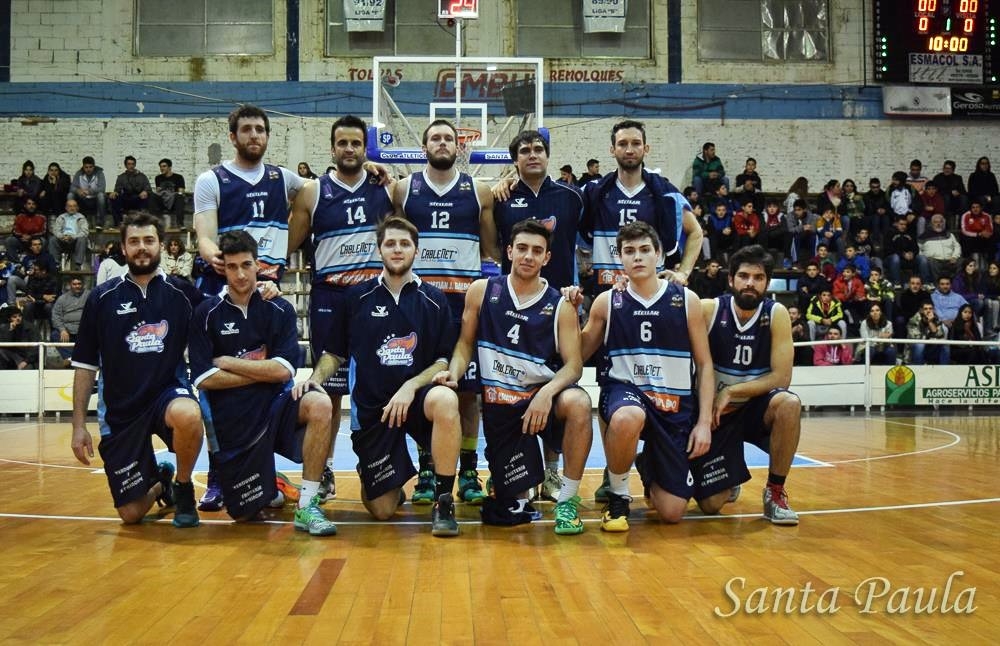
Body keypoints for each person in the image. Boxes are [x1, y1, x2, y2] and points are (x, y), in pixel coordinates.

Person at [299, 217, 462, 536]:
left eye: (404, 244)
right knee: (383, 510)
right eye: (390, 244)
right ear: (379, 250)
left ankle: (443, 502)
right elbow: (334, 353)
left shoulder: (434, 299)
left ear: (416, 250)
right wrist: (316, 377)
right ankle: (377, 474)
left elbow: (443, 361)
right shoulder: (356, 298)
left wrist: (410, 387)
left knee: (446, 399)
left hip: (416, 401)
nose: (397, 249)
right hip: (374, 412)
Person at [436, 219, 593, 533]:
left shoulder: (560, 304)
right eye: (522, 248)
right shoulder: (482, 291)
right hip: (502, 409)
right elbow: (465, 344)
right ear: (509, 251)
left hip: (541, 402)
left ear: (547, 257)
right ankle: (512, 482)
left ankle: (567, 502)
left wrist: (546, 394)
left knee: (579, 402)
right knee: (512, 506)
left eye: (537, 250)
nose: (528, 256)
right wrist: (453, 373)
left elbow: (574, 366)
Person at [189, 231, 336, 534]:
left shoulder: (279, 307)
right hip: (236, 423)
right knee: (245, 515)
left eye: (246, 265)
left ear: (258, 265)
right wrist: (262, 369)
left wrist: (229, 362)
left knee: (320, 402)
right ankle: (273, 483)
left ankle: (308, 504)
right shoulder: (206, 313)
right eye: (232, 267)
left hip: (277, 408)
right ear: (224, 269)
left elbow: (284, 371)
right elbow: (204, 378)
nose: (241, 274)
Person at [70, 213, 204, 527]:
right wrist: (78, 426)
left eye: (148, 240)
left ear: (161, 245)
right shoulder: (101, 298)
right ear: (123, 248)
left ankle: (184, 488)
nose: (141, 247)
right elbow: (85, 366)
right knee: (131, 514)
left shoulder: (183, 293)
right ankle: (161, 483)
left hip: (166, 396)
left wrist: (264, 291)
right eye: (134, 241)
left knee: (189, 414)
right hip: (121, 411)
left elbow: (221, 312)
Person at [577, 221, 714, 529]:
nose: (637, 257)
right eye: (629, 251)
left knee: (672, 513)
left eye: (644, 250)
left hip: (673, 406)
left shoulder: (686, 300)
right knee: (628, 416)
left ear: (659, 254)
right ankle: (619, 495)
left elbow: (705, 365)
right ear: (620, 257)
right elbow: (579, 354)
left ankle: (648, 462)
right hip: (627, 394)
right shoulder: (607, 302)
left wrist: (704, 423)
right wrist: (572, 312)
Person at [288, 114, 396, 504]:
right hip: (330, 298)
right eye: (342, 143)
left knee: (380, 385)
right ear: (332, 148)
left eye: (356, 143)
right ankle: (326, 467)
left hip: (373, 298)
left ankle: (379, 462)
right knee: (329, 392)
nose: (349, 149)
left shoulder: (386, 188)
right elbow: (288, 244)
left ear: (365, 148)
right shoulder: (313, 192)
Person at [391, 118, 498, 506]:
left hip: (463, 304)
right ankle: (426, 469)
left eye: (448, 138)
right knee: (423, 388)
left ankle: (468, 469)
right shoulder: (404, 189)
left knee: (467, 393)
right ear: (424, 147)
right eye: (435, 138)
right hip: (420, 306)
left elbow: (491, 249)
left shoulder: (479, 191)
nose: (442, 143)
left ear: (459, 146)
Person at [691, 244, 802, 525]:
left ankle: (775, 492)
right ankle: (728, 477)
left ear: (767, 282)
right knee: (711, 505)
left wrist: (732, 391)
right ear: (731, 280)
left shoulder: (776, 314)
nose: (750, 283)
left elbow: (782, 378)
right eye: (743, 276)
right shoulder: (709, 309)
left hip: (752, 410)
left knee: (789, 404)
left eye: (758, 277)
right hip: (714, 416)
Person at [194, 104, 307, 297]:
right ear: (232, 137)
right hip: (224, 281)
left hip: (266, 284)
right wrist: (218, 257)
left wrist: (363, 168)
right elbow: (205, 239)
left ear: (267, 137)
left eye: (260, 130)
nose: (254, 135)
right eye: (246, 129)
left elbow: (322, 189)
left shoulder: (282, 178)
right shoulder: (211, 180)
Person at [493, 130, 583, 294]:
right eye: (525, 151)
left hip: (561, 294)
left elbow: (589, 238)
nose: (533, 155)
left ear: (547, 157)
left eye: (538, 150)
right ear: (515, 161)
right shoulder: (501, 199)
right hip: (513, 296)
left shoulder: (574, 196)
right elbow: (492, 247)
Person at [51, 276, 89, 364]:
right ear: (70, 285)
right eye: (74, 284)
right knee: (55, 335)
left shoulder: (89, 295)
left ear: (83, 285)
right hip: (68, 330)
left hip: (84, 329)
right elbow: (56, 315)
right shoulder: (62, 298)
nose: (77, 286)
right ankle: (71, 358)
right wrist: (62, 329)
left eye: (79, 284)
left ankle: (80, 359)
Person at [109, 156, 152, 226]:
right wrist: (115, 193)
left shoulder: (142, 176)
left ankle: (144, 222)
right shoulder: (121, 177)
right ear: (125, 165)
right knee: (114, 198)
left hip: (138, 198)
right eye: (129, 164)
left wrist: (145, 191)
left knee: (148, 198)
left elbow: (148, 188)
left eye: (132, 164)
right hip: (126, 198)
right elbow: (117, 190)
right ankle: (119, 223)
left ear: (135, 165)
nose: (131, 166)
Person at [48, 199, 90, 270]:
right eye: (70, 206)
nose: (72, 208)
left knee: (82, 239)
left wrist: (72, 237)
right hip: (63, 240)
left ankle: (78, 264)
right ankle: (56, 264)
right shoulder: (61, 217)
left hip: (76, 241)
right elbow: (56, 230)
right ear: (66, 208)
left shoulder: (81, 218)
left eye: (74, 206)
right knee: (52, 239)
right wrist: (62, 236)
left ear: (77, 208)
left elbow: (84, 232)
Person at [5, 197, 47, 262]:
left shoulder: (41, 217)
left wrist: (31, 237)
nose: (31, 206)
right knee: (9, 240)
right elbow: (14, 231)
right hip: (22, 240)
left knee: (43, 241)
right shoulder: (20, 216)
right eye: (29, 204)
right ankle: (15, 262)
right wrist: (22, 236)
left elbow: (43, 231)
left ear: (36, 206)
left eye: (33, 204)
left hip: (35, 241)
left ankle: (40, 262)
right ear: (25, 205)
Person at [71, 156, 108, 228]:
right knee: (70, 195)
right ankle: (72, 219)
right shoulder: (79, 173)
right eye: (86, 167)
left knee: (101, 195)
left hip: (95, 199)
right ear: (83, 167)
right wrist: (78, 190)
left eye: (90, 167)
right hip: (83, 198)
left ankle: (100, 221)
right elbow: (72, 187)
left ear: (94, 166)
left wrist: (89, 191)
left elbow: (102, 188)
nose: (88, 169)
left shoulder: (99, 173)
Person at [152, 159, 187, 228]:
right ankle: (154, 223)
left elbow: (181, 192)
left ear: (170, 167)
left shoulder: (178, 177)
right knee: (152, 196)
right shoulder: (158, 178)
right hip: (163, 201)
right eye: (160, 167)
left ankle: (180, 224)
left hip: (173, 202)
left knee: (179, 196)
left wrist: (170, 194)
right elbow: (158, 192)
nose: (162, 168)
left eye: (164, 166)